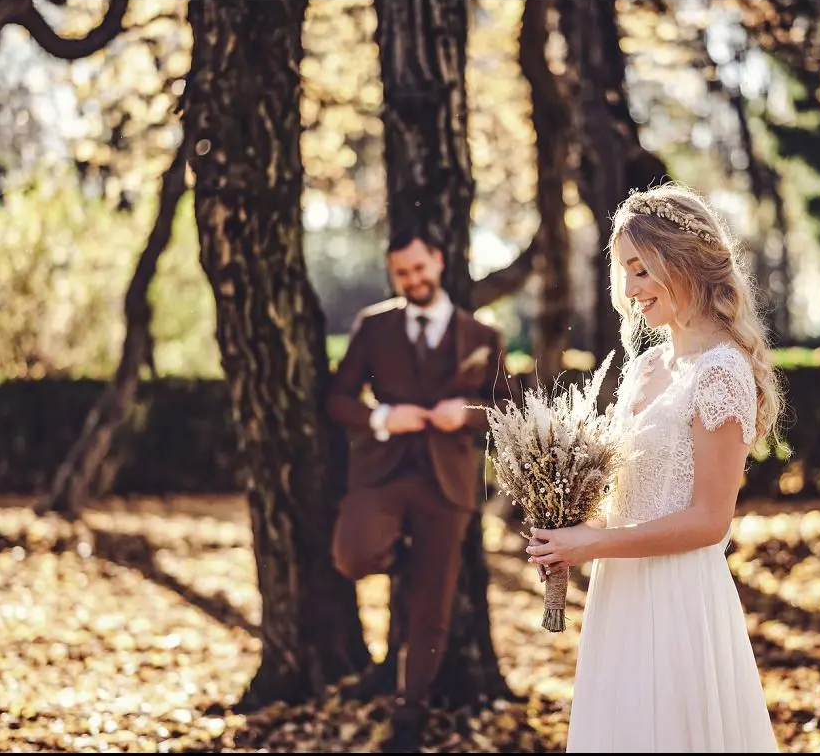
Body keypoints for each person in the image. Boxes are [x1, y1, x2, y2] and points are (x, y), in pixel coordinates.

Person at [526, 182, 785, 752]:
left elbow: (709, 521)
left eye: (641, 269)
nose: (629, 288)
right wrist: (566, 533)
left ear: (684, 260)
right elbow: (628, 494)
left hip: (677, 598)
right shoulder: (644, 368)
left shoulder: (721, 371)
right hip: (619, 592)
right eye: (623, 271)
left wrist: (590, 545)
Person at [327, 228, 513, 753]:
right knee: (354, 555)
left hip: (447, 486)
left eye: (418, 268)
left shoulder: (482, 336)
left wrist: (467, 412)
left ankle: (409, 718)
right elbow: (339, 399)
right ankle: (397, 554)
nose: (412, 280)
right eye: (401, 274)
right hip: (381, 474)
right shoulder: (374, 326)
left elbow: (508, 412)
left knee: (431, 608)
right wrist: (383, 416)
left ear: (437, 260)